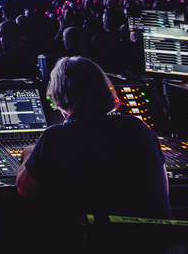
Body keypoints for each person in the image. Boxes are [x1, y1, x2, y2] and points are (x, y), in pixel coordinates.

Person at [17, 56, 170, 229]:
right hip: (156, 242)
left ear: (58, 93)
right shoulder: (139, 128)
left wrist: (30, 152)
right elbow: (163, 189)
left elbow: (24, 189)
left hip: (101, 243)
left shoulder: (56, 137)